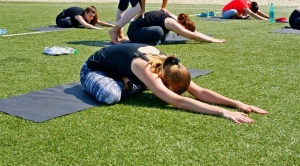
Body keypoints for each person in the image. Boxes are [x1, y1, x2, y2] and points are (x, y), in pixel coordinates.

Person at [80, 43, 268, 124]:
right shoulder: (149, 68)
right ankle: (124, 82)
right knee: (110, 96)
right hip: (94, 70)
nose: (177, 94)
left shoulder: (172, 66)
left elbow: (200, 92)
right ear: (163, 78)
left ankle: (128, 82)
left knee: (141, 86)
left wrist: (236, 104)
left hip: (126, 70)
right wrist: (222, 112)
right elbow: (178, 102)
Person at [127, 10, 226, 44]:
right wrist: (212, 40)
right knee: (159, 31)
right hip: (134, 32)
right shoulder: (171, 22)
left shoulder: (175, 18)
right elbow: (193, 36)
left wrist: (210, 38)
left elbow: (193, 33)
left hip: (144, 29)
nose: (180, 33)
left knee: (164, 33)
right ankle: (149, 41)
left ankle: (153, 40)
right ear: (182, 24)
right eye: (182, 30)